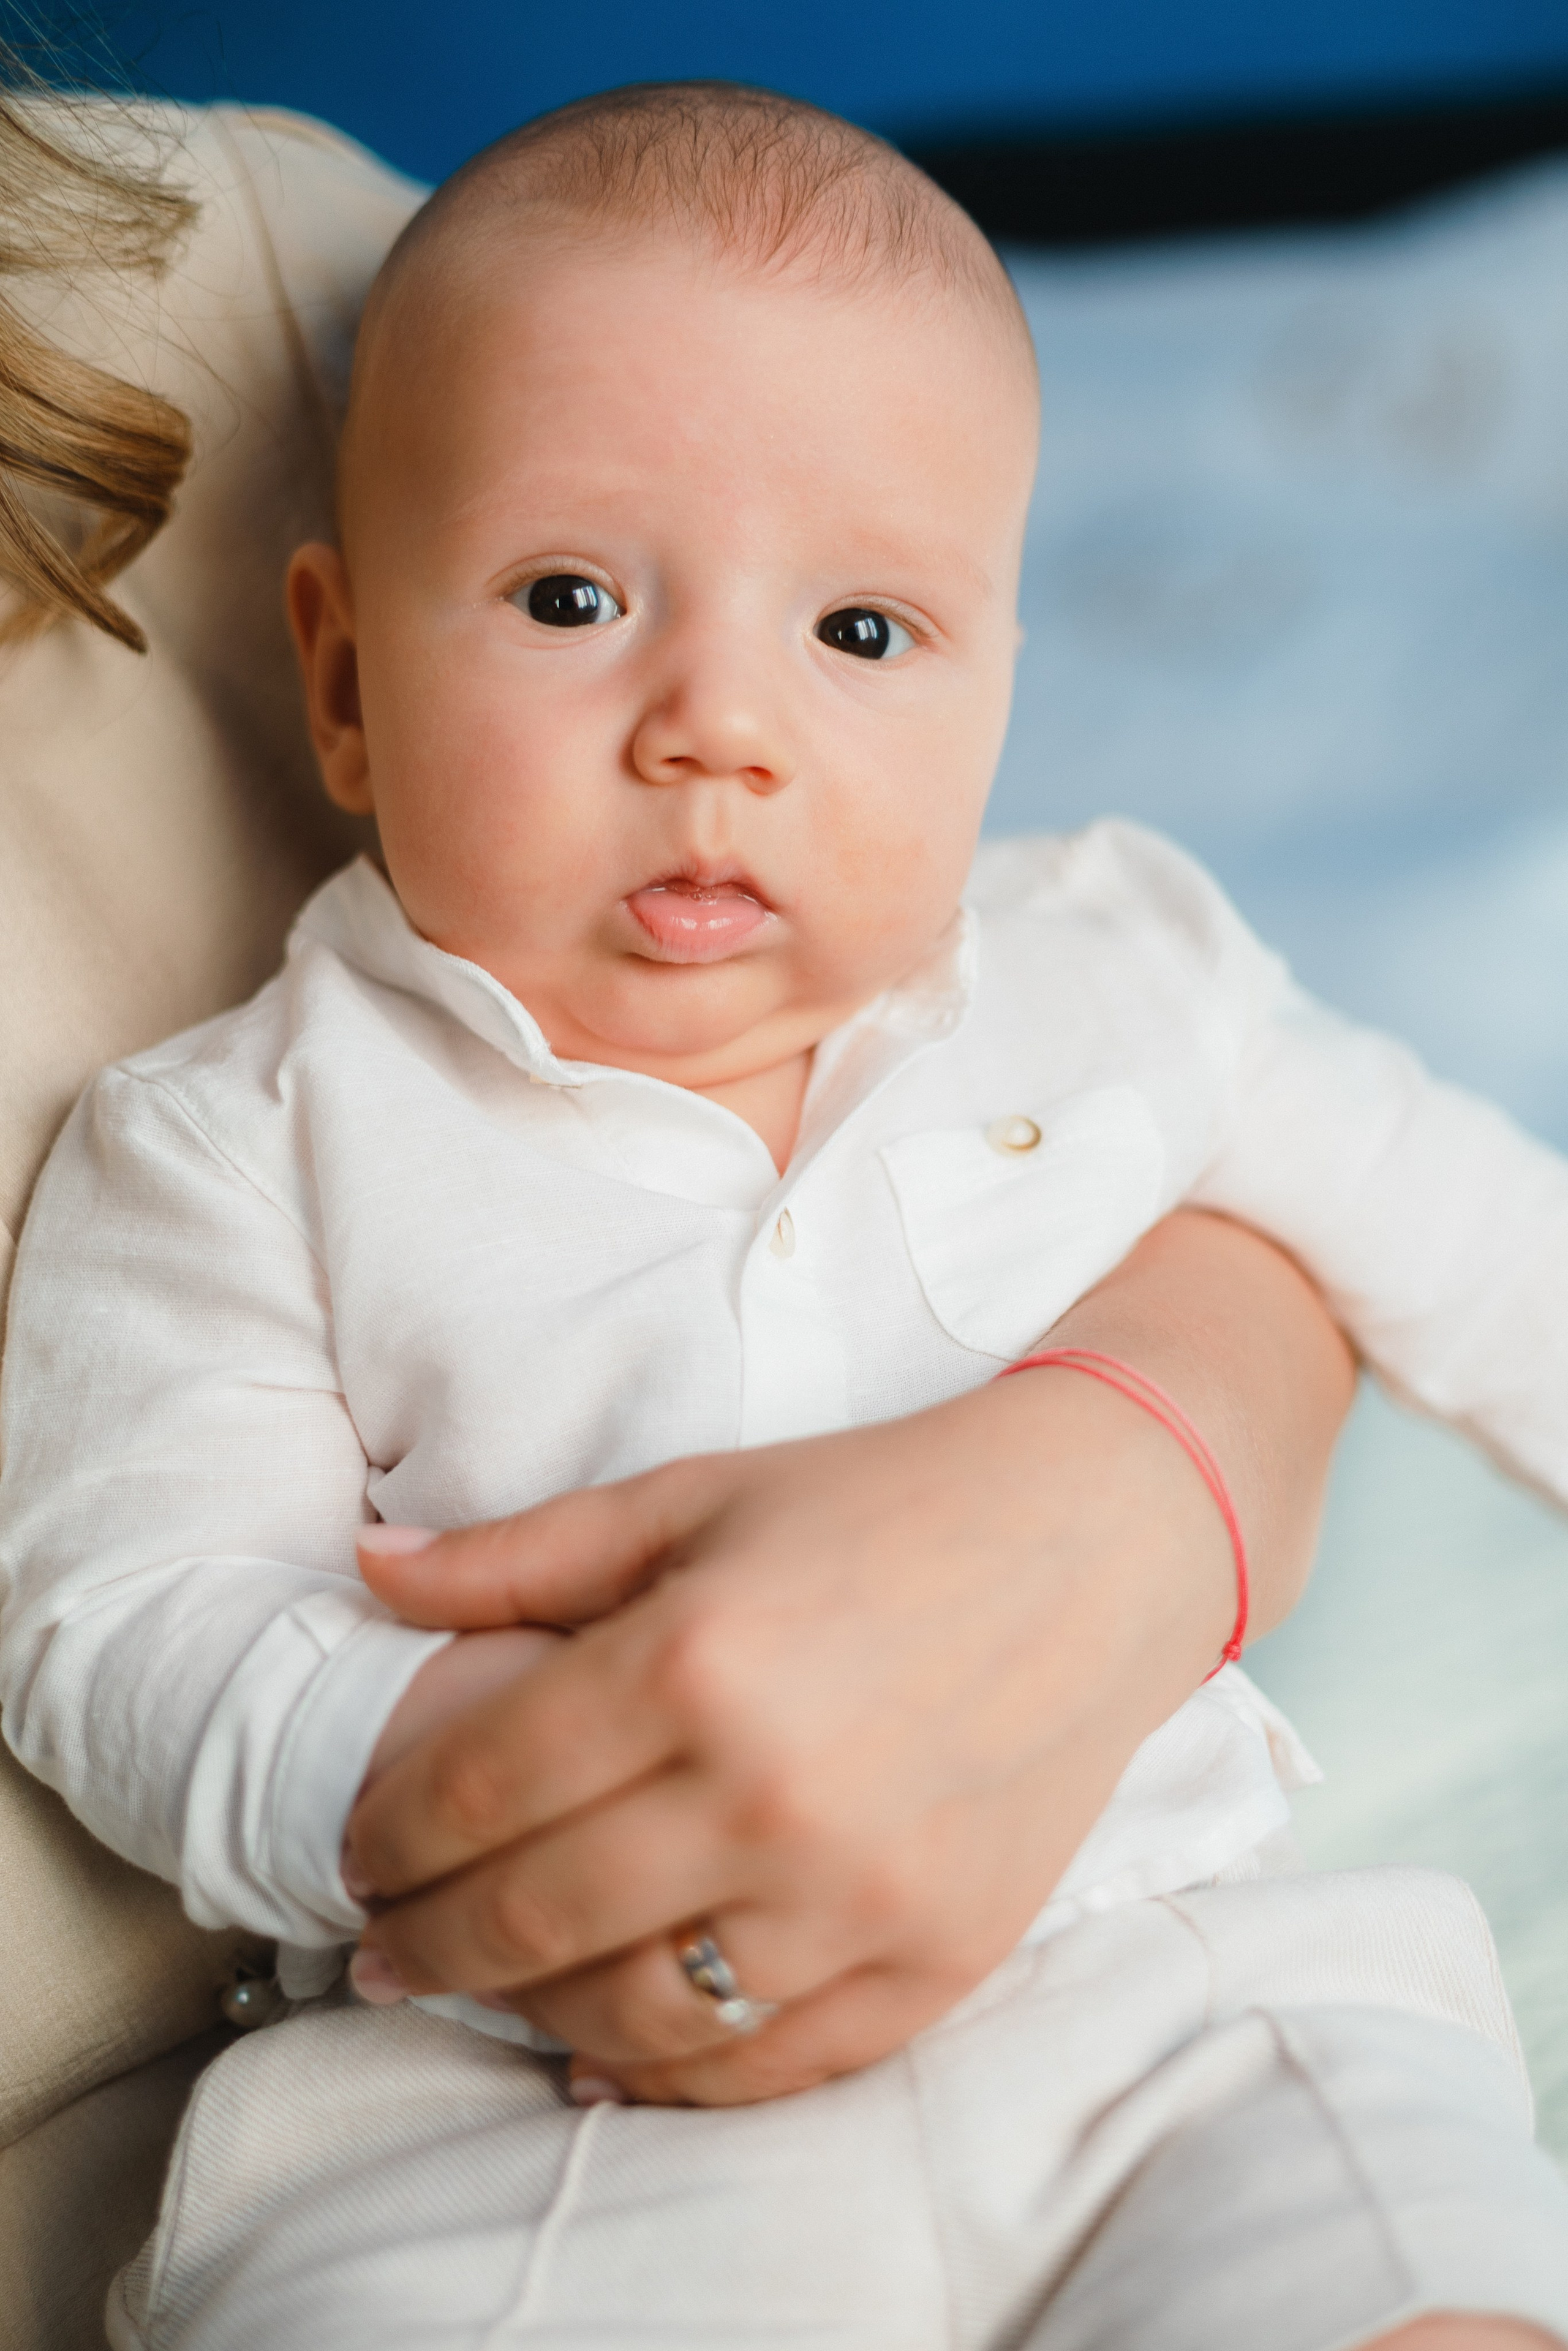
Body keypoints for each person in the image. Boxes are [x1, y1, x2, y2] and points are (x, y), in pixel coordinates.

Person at [2, 78, 1566, 2350]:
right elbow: (130, 1612)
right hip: (510, 2097)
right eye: (572, 598)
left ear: (1001, 688)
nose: (718, 725)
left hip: (1164, 1998)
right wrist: (481, 1783)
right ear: (340, 681)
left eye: (861, 631)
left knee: (1421, 2277)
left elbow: (1492, 1248)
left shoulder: (1128, 972)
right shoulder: (237, 1138)